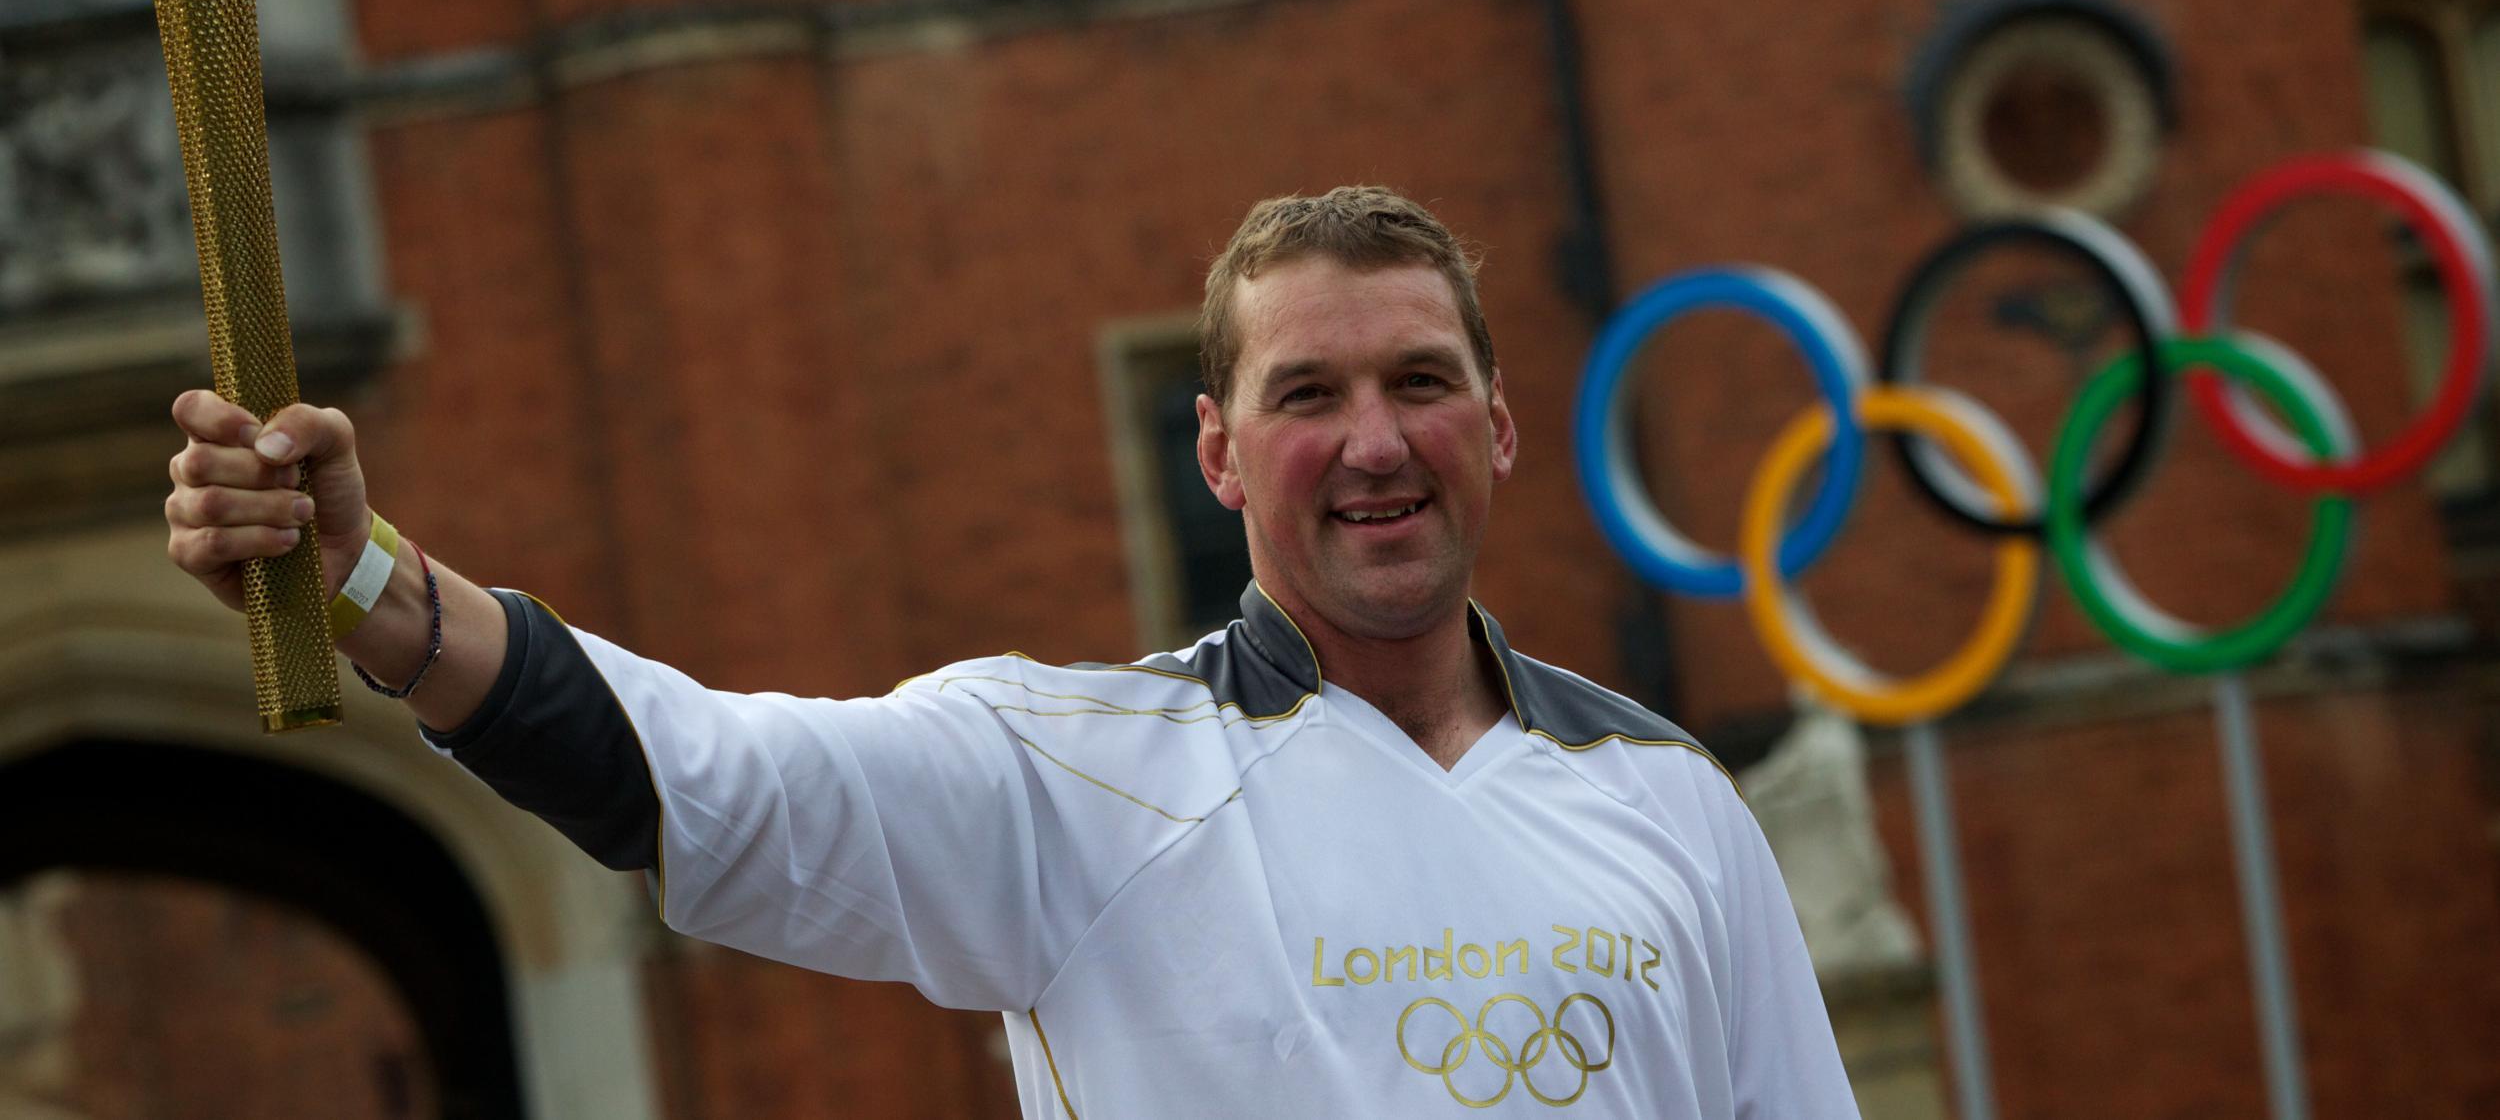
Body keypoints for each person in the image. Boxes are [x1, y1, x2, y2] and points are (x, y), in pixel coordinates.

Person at [164, 186, 1860, 1117]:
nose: (1373, 443)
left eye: (1418, 383)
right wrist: (368, 577)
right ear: (1215, 453)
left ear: (1497, 427)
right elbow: (693, 775)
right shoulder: (1076, 777)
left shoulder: (1670, 800)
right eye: (1308, 397)